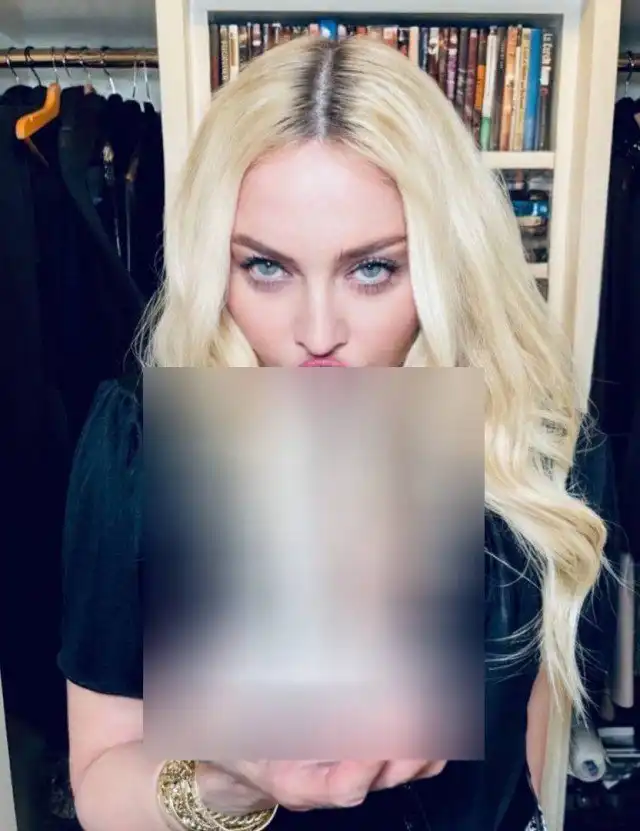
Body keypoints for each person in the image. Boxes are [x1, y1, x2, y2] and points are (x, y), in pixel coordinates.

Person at [57, 34, 607, 831]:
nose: (318, 332)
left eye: (372, 268)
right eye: (267, 267)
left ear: (447, 264)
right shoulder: (143, 446)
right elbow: (99, 782)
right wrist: (232, 780)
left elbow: (526, 751)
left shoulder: (528, 444)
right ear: (216, 263)